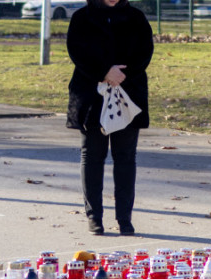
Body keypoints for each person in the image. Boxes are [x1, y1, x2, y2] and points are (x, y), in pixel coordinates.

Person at [66, 0, 153, 236]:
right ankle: (94, 217)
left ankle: (124, 218)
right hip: (91, 95)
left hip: (129, 94)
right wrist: (104, 71)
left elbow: (145, 52)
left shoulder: (136, 17)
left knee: (125, 158)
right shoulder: (82, 17)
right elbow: (77, 51)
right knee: (92, 156)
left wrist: (120, 75)